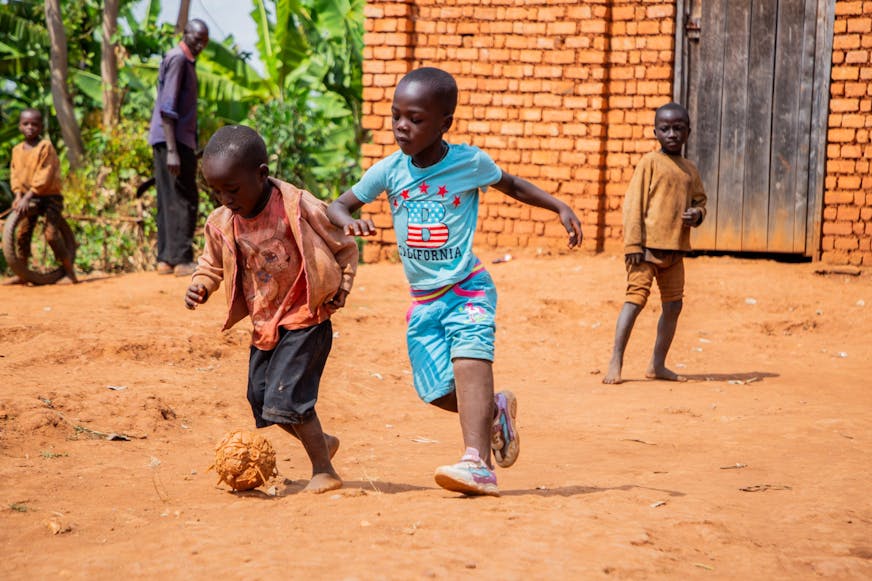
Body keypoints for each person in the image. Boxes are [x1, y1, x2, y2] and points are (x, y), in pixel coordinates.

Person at [327, 67, 583, 497]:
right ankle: (495, 410)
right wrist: (348, 221)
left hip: (467, 289)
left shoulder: (469, 163)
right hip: (424, 301)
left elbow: (512, 185)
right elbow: (338, 205)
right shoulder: (389, 171)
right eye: (396, 116)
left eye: (415, 119)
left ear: (444, 123)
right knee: (435, 391)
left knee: (470, 358)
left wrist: (558, 206)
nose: (402, 126)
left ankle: (477, 464)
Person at [184, 125, 358, 494]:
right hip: (266, 323)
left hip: (306, 316)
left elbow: (342, 244)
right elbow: (211, 262)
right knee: (263, 400)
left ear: (261, 174)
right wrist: (201, 284)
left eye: (233, 189)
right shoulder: (222, 223)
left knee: (289, 396)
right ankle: (321, 441)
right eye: (216, 191)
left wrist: (342, 286)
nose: (225, 198)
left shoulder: (297, 206)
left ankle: (324, 470)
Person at [602, 102, 707, 385]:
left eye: (678, 128)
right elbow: (633, 204)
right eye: (665, 129)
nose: (672, 134)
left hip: (675, 251)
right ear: (655, 132)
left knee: (673, 306)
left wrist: (697, 214)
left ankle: (657, 364)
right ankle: (616, 360)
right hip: (645, 251)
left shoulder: (690, 169)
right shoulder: (649, 162)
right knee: (635, 301)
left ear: (688, 132)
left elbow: (700, 201)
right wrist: (633, 245)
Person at [148, 18, 209, 277]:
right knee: (185, 198)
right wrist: (173, 150)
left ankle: (165, 259)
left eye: (204, 42)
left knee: (169, 197)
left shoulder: (181, 59)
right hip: (173, 140)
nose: (200, 45)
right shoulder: (179, 60)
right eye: (196, 39)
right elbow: (168, 106)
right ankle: (181, 259)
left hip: (169, 139)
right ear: (185, 33)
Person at [9, 108, 77, 284]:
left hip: (49, 197)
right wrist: (18, 195)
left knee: (51, 235)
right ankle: (22, 273)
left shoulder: (45, 147)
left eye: (34, 124)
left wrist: (28, 196)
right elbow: (15, 174)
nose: (30, 127)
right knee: (22, 234)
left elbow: (44, 175)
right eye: (26, 124)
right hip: (27, 197)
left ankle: (69, 271)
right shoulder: (16, 150)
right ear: (20, 126)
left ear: (40, 127)